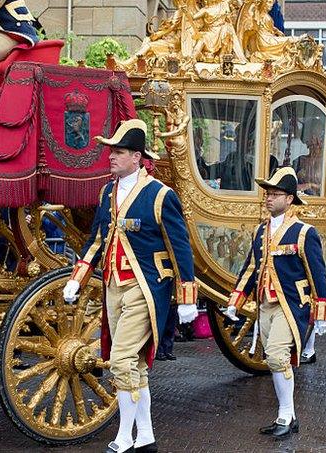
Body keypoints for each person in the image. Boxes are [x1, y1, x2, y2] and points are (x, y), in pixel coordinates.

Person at [61, 119, 198, 453]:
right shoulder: (107, 192)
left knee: (121, 360)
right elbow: (96, 239)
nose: (111, 157)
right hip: (113, 285)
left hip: (147, 287)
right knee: (134, 364)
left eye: (119, 152)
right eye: (111, 151)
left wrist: (186, 296)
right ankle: (146, 435)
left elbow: (180, 247)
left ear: (137, 157)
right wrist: (77, 278)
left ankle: (124, 435)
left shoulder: (160, 195)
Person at [224, 167, 326, 439]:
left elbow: (317, 273)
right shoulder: (261, 231)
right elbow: (250, 269)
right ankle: (288, 415)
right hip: (265, 305)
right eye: (267, 194)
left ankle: (285, 414)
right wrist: (235, 301)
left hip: (292, 305)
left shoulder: (304, 232)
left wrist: (322, 313)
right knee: (274, 359)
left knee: (277, 356)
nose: (268, 198)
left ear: (290, 199)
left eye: (275, 194)